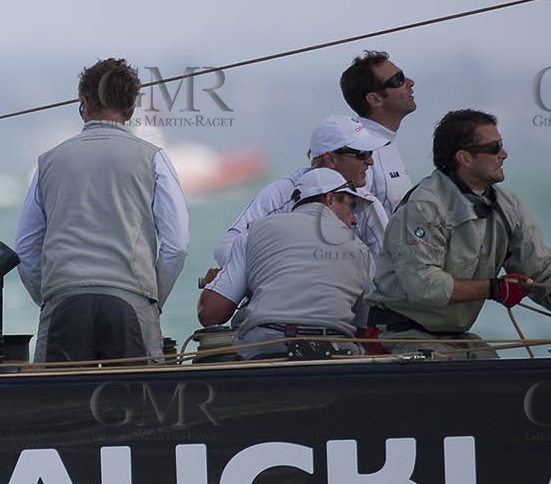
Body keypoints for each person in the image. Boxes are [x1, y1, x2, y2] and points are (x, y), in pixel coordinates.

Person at [15, 57, 189, 364]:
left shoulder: (48, 162)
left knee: (57, 408)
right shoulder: (154, 158)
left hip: (64, 302)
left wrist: (48, 296)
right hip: (132, 302)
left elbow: (26, 249)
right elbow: (176, 246)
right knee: (139, 405)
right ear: (131, 109)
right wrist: (152, 300)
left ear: (84, 103)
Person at [368, 109, 551, 358]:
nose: (504, 154)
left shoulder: (509, 207)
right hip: (401, 334)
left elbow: (541, 272)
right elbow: (423, 285)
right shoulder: (424, 206)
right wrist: (494, 289)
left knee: (502, 380)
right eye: (494, 147)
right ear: (464, 158)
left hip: (454, 336)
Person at [197, 168, 372, 359]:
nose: (355, 220)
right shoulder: (360, 249)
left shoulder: (253, 232)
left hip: (266, 349)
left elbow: (210, 315)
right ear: (330, 199)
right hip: (335, 353)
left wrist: (217, 284)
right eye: (351, 206)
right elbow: (362, 331)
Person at [204, 115, 390, 285]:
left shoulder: (367, 202)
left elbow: (387, 262)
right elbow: (226, 246)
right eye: (362, 154)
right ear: (331, 159)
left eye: (371, 153)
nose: (370, 162)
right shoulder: (282, 192)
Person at [341, 49, 417, 214]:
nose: (411, 82)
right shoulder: (360, 151)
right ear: (375, 99)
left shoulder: (386, 139)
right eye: (399, 80)